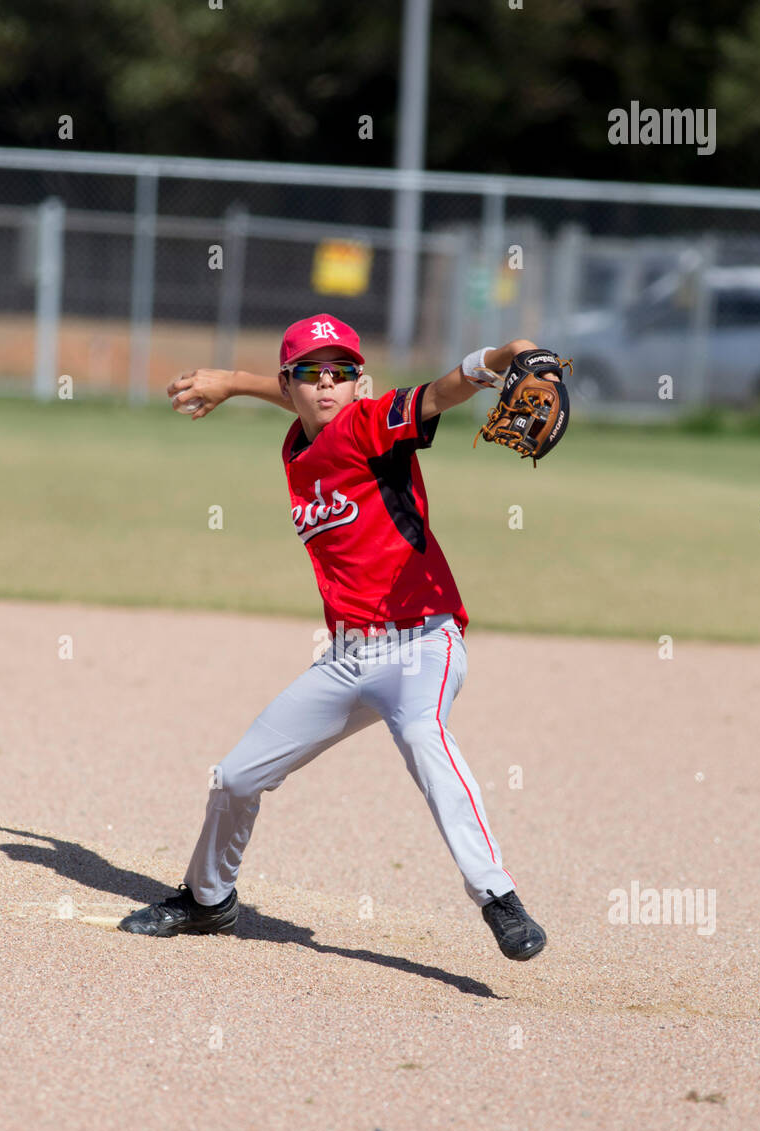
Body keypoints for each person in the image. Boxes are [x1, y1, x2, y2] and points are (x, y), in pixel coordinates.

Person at [119, 314, 548, 962]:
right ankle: (209, 900)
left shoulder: (370, 423)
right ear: (290, 384)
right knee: (235, 776)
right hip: (347, 658)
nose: (328, 386)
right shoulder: (296, 444)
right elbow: (297, 396)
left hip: (421, 642)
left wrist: (504, 356)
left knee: (422, 736)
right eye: (312, 375)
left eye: (342, 374)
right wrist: (233, 383)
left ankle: (498, 898)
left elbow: (442, 390)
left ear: (361, 383)